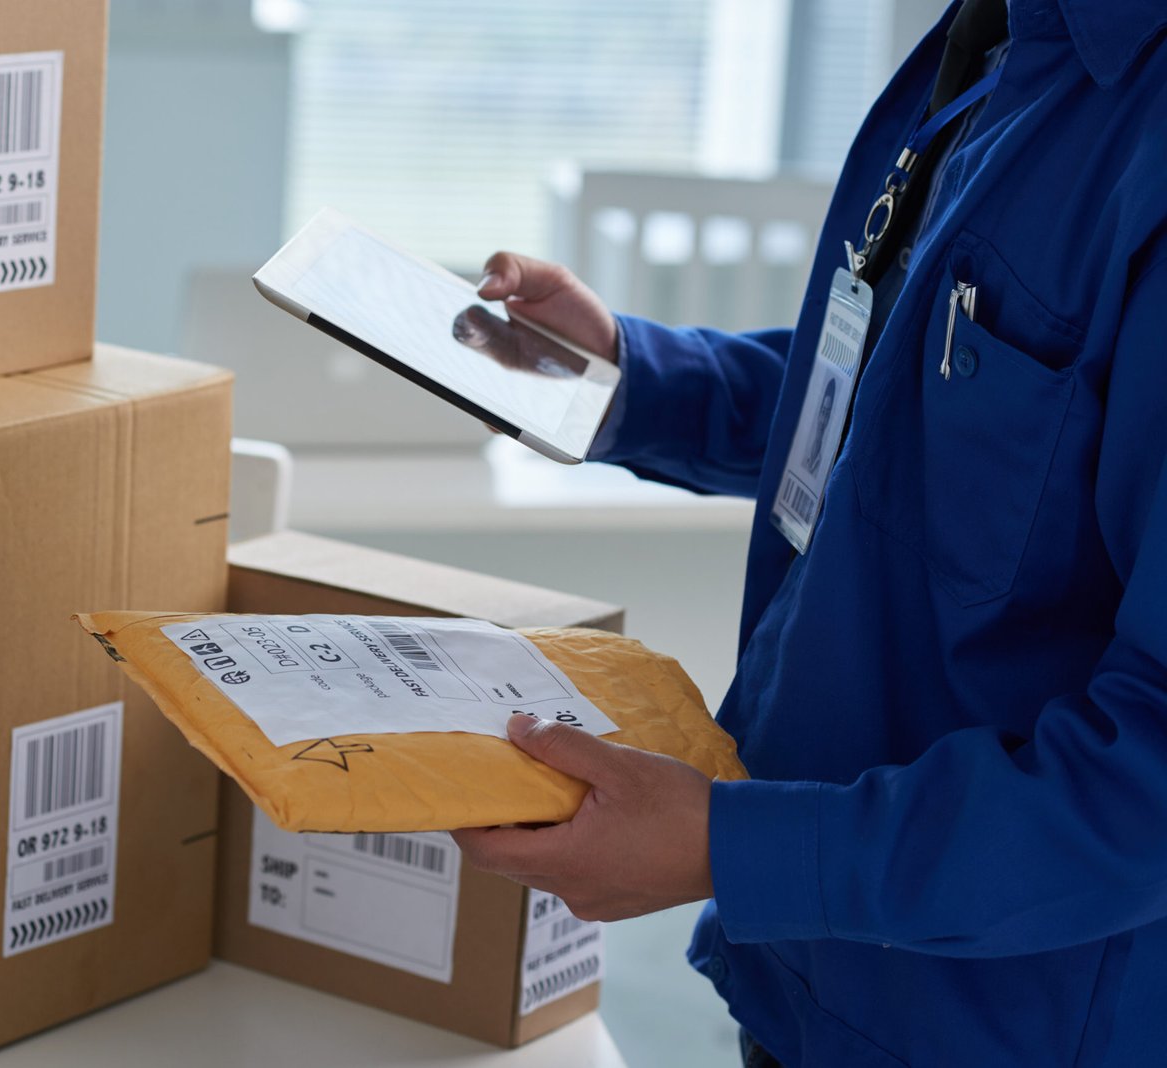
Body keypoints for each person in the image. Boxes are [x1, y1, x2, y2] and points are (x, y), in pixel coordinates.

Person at [450, 1, 1167, 1064]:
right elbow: (909, 401)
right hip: (812, 979)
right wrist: (635, 380)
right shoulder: (996, 39)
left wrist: (740, 850)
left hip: (1003, 1025)